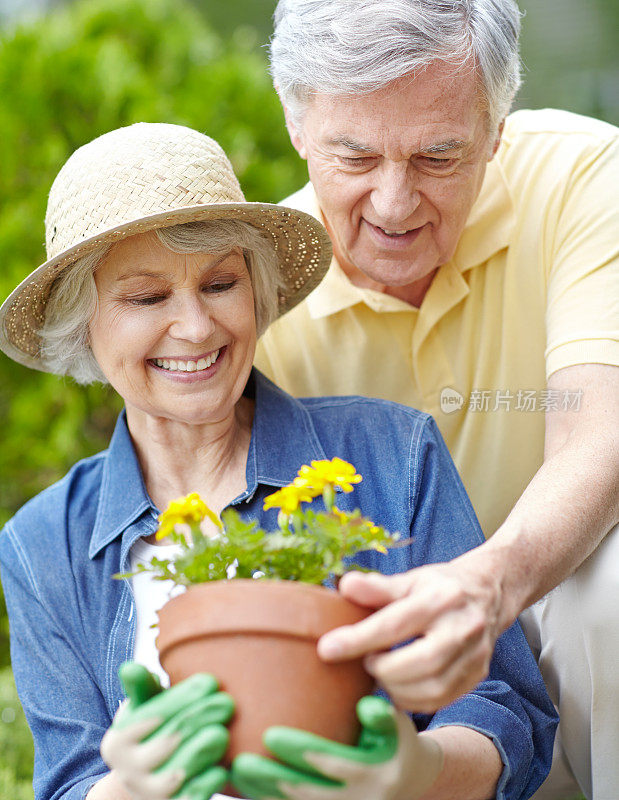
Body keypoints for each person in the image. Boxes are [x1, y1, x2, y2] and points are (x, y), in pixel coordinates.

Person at [0, 123, 557, 800]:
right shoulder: (41, 545)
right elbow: (67, 782)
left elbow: (505, 711)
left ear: (257, 292)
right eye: (147, 298)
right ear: (81, 324)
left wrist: (413, 772)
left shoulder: (391, 453)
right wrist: (126, 790)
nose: (198, 327)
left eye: (220, 284)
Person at [254, 2, 619, 798]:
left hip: (580, 663)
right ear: (295, 123)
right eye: (353, 155)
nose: (392, 203)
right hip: (405, 720)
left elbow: (602, 430)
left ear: (495, 125)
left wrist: (486, 587)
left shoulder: (583, 175)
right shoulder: (254, 296)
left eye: (437, 155)